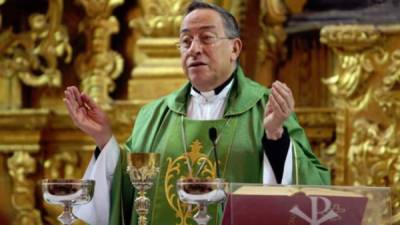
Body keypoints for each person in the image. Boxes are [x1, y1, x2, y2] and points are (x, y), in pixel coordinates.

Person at [64, 2, 330, 225]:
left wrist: (275, 137)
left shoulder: (265, 107)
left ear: (235, 49)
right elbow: (125, 192)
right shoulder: (154, 115)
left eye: (206, 38)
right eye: (186, 41)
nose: (194, 49)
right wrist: (103, 138)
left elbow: (313, 192)